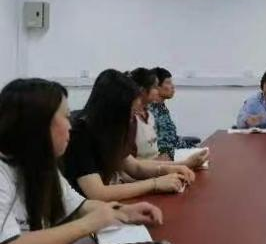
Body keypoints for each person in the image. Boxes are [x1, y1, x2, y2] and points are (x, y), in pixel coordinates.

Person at [0, 78, 162, 244]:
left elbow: (77, 207)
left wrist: (123, 212)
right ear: (38, 125)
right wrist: (88, 224)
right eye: (65, 117)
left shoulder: (41, 163)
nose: (70, 125)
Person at [63, 69, 208, 201]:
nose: (133, 118)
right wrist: (155, 184)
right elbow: (98, 193)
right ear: (115, 110)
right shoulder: (79, 134)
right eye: (131, 112)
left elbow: (135, 167)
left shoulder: (110, 131)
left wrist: (173, 168)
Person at [149, 67, 198, 160]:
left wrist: (190, 147)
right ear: (156, 86)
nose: (172, 86)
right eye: (168, 83)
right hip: (163, 158)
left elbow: (171, 138)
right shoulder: (150, 111)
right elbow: (158, 144)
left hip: (173, 152)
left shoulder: (162, 108)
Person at [129, 68, 161, 160]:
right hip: (142, 167)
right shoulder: (130, 119)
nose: (158, 91)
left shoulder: (150, 115)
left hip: (156, 163)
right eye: (155, 87)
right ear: (142, 90)